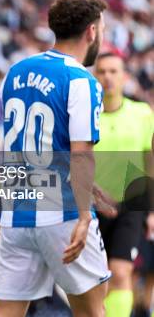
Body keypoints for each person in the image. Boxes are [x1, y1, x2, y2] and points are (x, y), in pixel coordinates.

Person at [0, 0, 110, 317]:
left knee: (4, 312)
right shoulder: (82, 81)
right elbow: (81, 154)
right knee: (94, 309)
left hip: (16, 212)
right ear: (91, 31)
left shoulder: (14, 72)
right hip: (62, 214)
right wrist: (85, 215)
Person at [93, 52, 153, 317]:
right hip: (93, 207)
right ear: (95, 77)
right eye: (102, 71)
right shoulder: (87, 117)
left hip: (131, 204)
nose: (108, 77)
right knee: (96, 280)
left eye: (114, 71)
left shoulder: (141, 114)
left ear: (125, 76)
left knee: (120, 271)